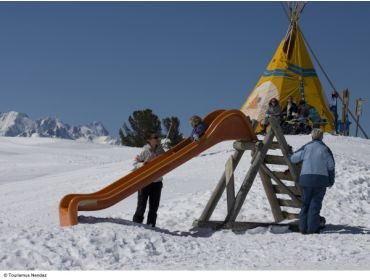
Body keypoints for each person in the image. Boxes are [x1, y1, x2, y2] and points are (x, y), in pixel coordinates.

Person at [289, 128, 335, 234]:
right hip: (320, 181)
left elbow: (294, 158)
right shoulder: (325, 149)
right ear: (322, 137)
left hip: (306, 180)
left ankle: (303, 228)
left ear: (312, 136)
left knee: (305, 204)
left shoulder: (306, 147)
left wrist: (290, 156)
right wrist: (331, 180)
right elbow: (331, 166)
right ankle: (312, 229)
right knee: (315, 204)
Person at [132, 132, 165, 227]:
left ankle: (151, 225)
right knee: (141, 206)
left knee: (154, 207)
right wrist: (143, 164)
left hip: (157, 182)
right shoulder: (144, 151)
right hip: (144, 182)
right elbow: (134, 164)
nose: (157, 138)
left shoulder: (161, 151)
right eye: (155, 137)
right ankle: (136, 225)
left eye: (158, 137)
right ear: (149, 140)